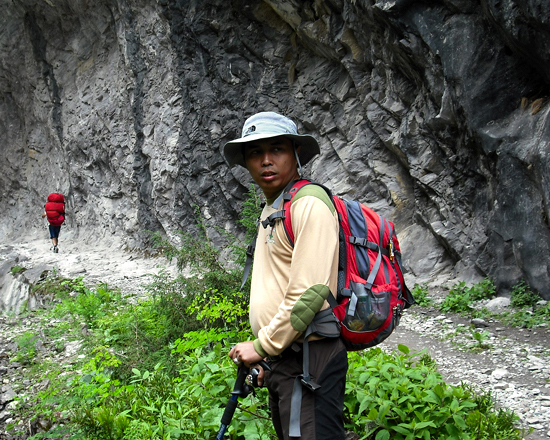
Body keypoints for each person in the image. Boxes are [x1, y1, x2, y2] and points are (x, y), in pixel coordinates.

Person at [223, 112, 348, 440]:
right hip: (286, 356)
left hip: (311, 358)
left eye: (276, 149)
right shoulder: (273, 207)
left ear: (295, 154)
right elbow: (278, 286)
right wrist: (269, 356)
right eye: (254, 153)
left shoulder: (309, 205)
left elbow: (311, 291)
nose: (265, 160)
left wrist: (262, 345)